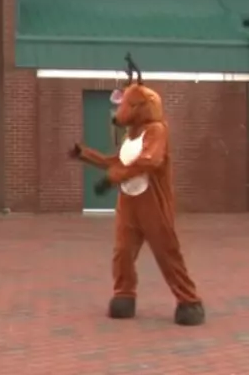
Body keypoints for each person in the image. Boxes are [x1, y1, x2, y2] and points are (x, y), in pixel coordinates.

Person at [69, 54, 204, 326]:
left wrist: (112, 178)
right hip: (129, 204)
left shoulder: (156, 130)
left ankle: (189, 300)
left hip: (152, 205)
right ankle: (124, 295)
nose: (121, 113)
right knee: (122, 253)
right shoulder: (131, 135)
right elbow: (117, 161)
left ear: (141, 106)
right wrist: (84, 154)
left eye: (129, 106)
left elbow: (150, 161)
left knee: (167, 253)